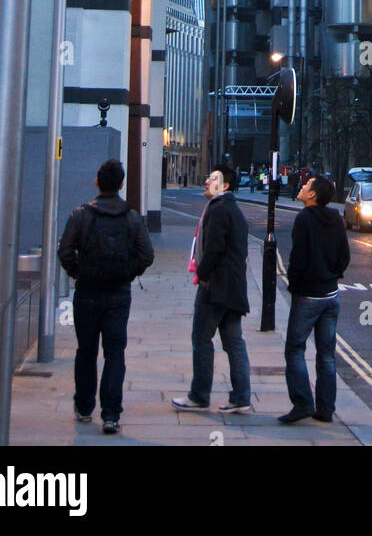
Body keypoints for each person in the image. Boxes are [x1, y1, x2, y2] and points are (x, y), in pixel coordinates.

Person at [58, 159, 154, 435]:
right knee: (114, 354)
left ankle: (84, 407)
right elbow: (147, 255)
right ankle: (111, 415)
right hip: (118, 295)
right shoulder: (132, 218)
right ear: (122, 184)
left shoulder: (80, 215)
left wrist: (79, 272)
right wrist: (127, 273)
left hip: (87, 292)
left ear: (97, 181)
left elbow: (64, 251)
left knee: (85, 351)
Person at [172, 163, 252, 415]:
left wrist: (202, 275)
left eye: (213, 179)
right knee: (233, 342)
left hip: (215, 288)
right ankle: (241, 397)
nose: (207, 182)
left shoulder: (218, 210)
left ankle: (199, 395)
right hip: (233, 288)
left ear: (225, 186)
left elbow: (215, 249)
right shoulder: (232, 209)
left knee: (201, 339)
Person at [279, 174, 350, 425]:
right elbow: (344, 256)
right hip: (331, 295)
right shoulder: (335, 218)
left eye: (306, 185)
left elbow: (298, 257)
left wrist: (294, 284)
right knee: (327, 354)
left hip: (308, 295)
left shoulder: (304, 219)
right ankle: (326, 409)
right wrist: (332, 276)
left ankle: (302, 404)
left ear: (313, 195)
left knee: (295, 348)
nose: (302, 186)